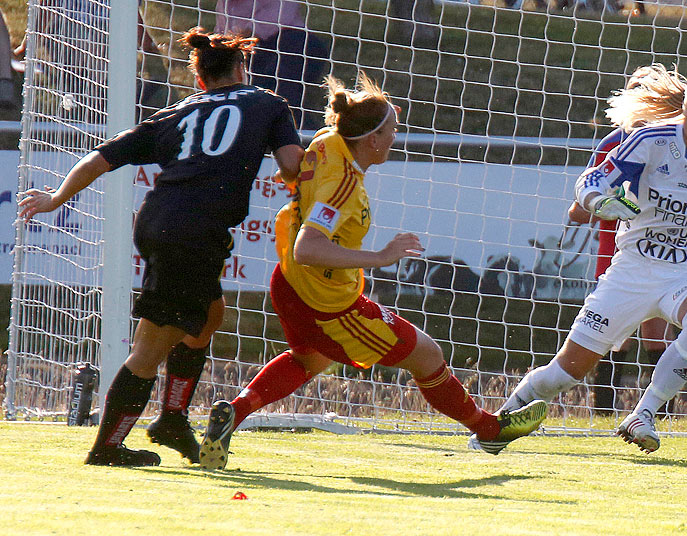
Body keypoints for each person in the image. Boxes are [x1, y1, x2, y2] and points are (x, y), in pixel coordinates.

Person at [197, 71, 547, 470]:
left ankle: (234, 412)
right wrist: (381, 257)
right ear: (372, 140)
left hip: (289, 283)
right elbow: (309, 247)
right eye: (393, 131)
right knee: (427, 355)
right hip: (329, 302)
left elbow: (300, 169)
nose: (396, 138)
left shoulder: (328, 141)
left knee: (308, 360)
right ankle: (490, 431)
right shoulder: (345, 184)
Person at [18, 28, 305, 466]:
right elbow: (291, 166)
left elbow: (101, 156)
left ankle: (171, 419)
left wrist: (56, 198)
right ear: (240, 69)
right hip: (191, 232)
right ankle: (107, 446)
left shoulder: (179, 111)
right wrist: (328, 158)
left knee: (209, 317)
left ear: (201, 80)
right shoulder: (267, 103)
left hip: (163, 222)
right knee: (151, 347)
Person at [475, 70, 687, 454]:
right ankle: (491, 429)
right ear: (683, 109)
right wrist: (599, 201)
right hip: (632, 269)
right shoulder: (648, 141)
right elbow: (590, 182)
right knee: (563, 374)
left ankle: (644, 414)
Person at [564, 64, 686, 415]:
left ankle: (661, 417)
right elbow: (577, 212)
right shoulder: (613, 144)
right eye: (633, 91)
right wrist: (609, 205)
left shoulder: (680, 145)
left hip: (664, 256)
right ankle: (604, 414)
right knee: (611, 339)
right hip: (616, 257)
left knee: (657, 336)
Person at [215, 0, 330, 129]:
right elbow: (223, 35)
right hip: (254, 51)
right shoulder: (225, 5)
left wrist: (247, 32)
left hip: (292, 42)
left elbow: (283, 12)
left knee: (283, 95)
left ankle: (300, 136)